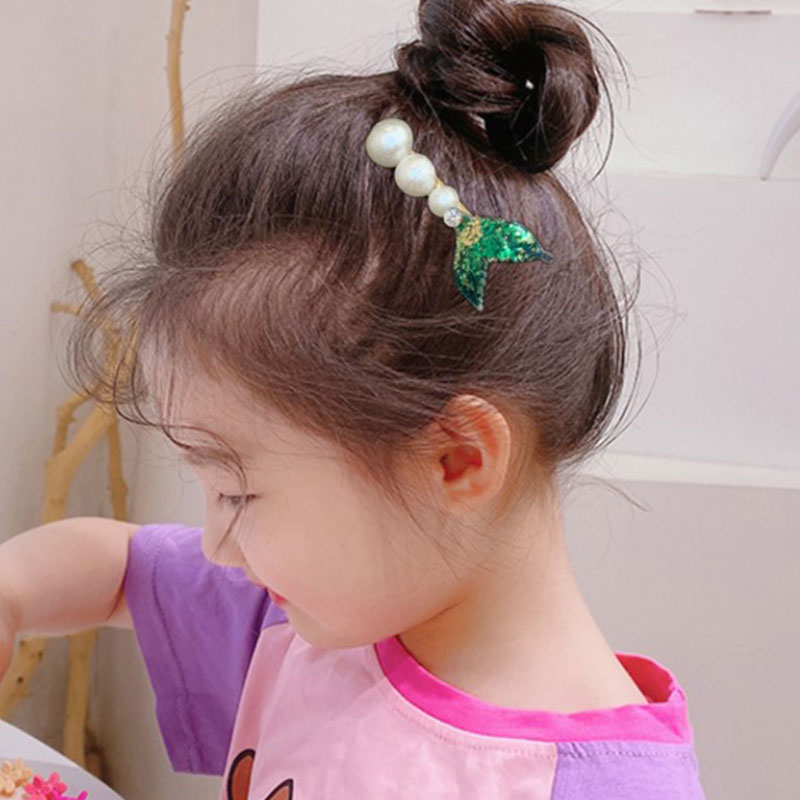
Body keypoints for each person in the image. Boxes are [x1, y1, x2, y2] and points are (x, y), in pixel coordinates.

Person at [0, 0, 709, 797]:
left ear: (455, 459)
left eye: (236, 492)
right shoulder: (317, 617)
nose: (218, 546)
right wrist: (12, 593)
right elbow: (120, 568)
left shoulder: (590, 786)